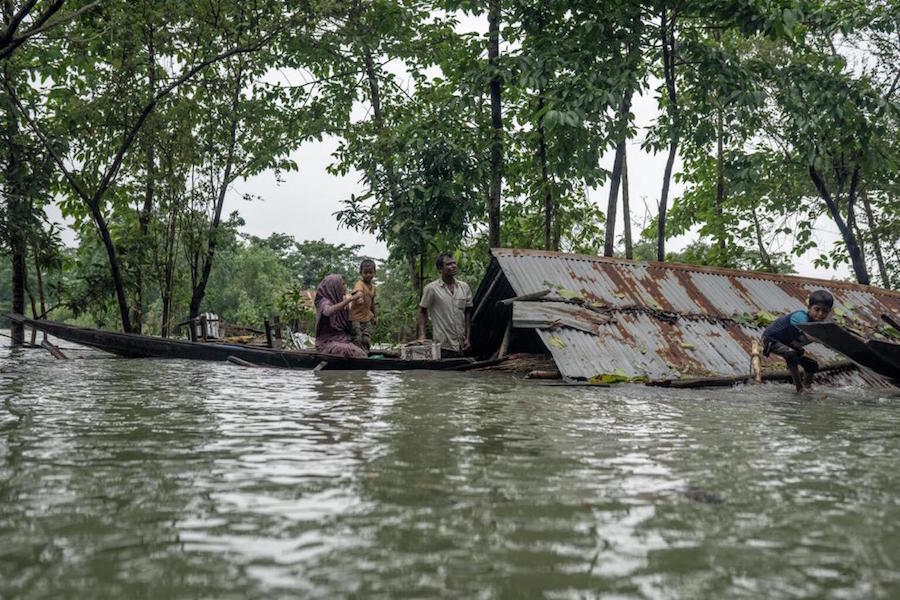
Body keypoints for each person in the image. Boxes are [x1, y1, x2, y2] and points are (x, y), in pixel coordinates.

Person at [762, 289, 834, 391]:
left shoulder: (819, 324)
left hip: (788, 342)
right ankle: (799, 388)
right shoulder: (800, 317)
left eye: (824, 311)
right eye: (817, 310)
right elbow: (809, 336)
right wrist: (826, 342)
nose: (820, 314)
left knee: (812, 364)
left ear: (829, 312)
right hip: (771, 340)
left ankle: (807, 386)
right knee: (791, 354)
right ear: (809, 308)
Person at [418, 253, 473, 357]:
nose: (453, 266)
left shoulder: (464, 287)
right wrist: (422, 335)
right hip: (442, 346)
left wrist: (467, 338)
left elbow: (467, 314)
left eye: (454, 263)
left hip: (461, 345)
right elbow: (422, 311)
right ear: (440, 269)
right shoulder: (432, 289)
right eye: (448, 264)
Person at [314, 274, 367, 358]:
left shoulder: (341, 300)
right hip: (327, 341)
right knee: (351, 351)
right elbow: (328, 311)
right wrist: (350, 300)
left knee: (362, 346)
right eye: (342, 284)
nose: (345, 286)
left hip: (343, 338)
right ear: (334, 287)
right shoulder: (324, 301)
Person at [349, 259, 377, 352]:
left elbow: (372, 303)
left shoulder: (373, 288)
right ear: (361, 273)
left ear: (374, 272)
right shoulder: (359, 284)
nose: (368, 275)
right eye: (365, 272)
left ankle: (365, 355)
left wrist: (374, 316)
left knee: (366, 339)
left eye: (370, 272)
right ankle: (355, 357)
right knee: (357, 338)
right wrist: (359, 298)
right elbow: (358, 292)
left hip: (366, 318)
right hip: (355, 318)